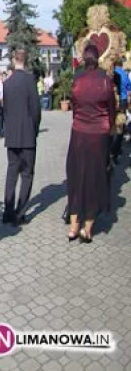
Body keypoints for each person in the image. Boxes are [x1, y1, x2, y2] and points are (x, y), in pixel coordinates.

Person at [66, 44, 116, 243]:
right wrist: (110, 127)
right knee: (95, 178)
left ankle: (73, 226)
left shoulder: (77, 79)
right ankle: (87, 228)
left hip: (79, 133)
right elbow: (112, 109)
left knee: (76, 176)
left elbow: (74, 106)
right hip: (99, 136)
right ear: (98, 58)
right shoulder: (105, 81)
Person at [2, 50, 42, 226]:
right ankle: (20, 212)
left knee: (12, 172)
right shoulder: (29, 80)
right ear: (25, 61)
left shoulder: (7, 83)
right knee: (26, 174)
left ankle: (7, 211)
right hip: (27, 134)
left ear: (13, 61)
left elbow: (6, 109)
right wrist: (35, 128)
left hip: (11, 134)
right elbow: (35, 110)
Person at [111, 57, 129, 163]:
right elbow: (129, 90)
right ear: (121, 64)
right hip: (122, 101)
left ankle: (110, 148)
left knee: (111, 125)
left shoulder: (111, 73)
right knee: (120, 127)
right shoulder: (124, 74)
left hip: (113, 101)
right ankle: (116, 152)